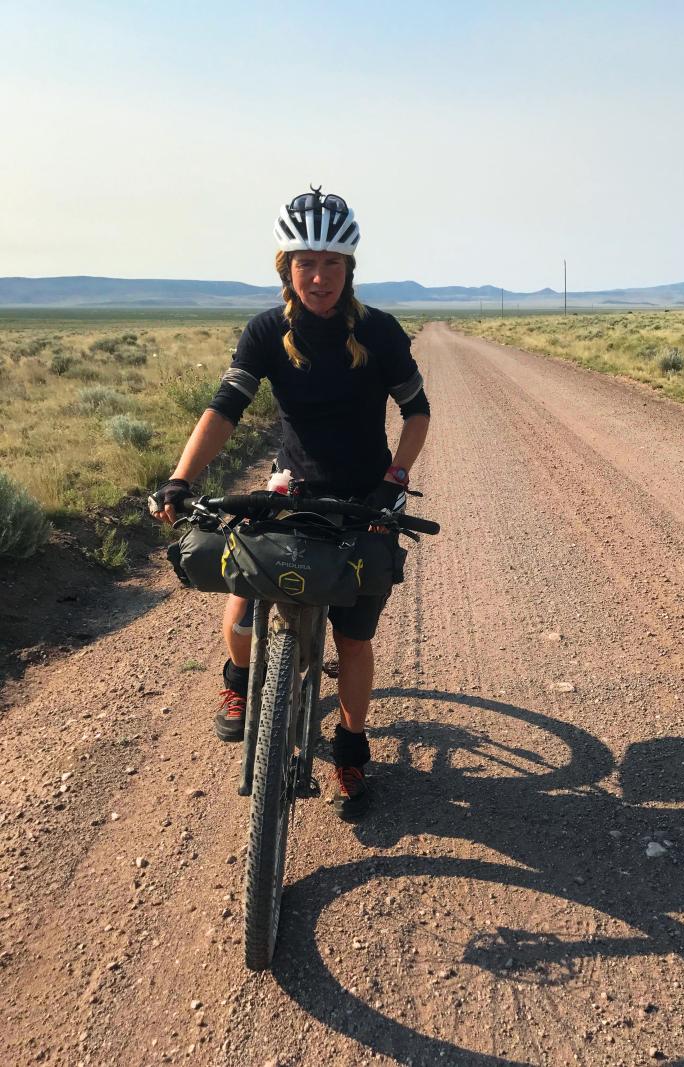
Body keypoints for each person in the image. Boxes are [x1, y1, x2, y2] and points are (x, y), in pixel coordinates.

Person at [149, 187, 430, 820]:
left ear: (349, 269)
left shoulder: (380, 332)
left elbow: (416, 412)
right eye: (306, 262)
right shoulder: (265, 332)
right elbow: (225, 409)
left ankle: (351, 745)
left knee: (353, 642)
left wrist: (395, 478)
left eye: (332, 263)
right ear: (286, 268)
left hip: (364, 498)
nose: (319, 275)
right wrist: (180, 478)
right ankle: (238, 681)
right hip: (290, 488)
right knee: (243, 602)